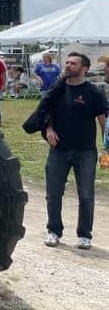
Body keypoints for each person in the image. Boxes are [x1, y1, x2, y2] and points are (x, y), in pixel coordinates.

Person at [43, 52, 107, 249]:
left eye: (73, 63)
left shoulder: (94, 93)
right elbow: (46, 112)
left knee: (86, 195)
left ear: (84, 69)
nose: (68, 65)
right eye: (67, 62)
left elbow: (103, 121)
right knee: (53, 193)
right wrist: (49, 129)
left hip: (85, 152)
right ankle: (54, 231)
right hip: (58, 151)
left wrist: (107, 147)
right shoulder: (57, 89)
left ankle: (84, 235)